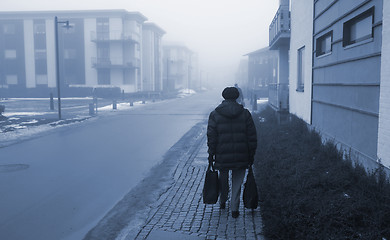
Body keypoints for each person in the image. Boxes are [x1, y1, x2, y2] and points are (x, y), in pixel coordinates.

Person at [207, 87, 257, 218]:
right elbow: (252, 136)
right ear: (237, 97)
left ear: (224, 97)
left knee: (223, 179)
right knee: (237, 181)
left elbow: (211, 136)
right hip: (242, 154)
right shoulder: (245, 114)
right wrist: (251, 154)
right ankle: (234, 208)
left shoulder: (215, 114)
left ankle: (223, 201)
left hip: (222, 154)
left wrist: (211, 153)